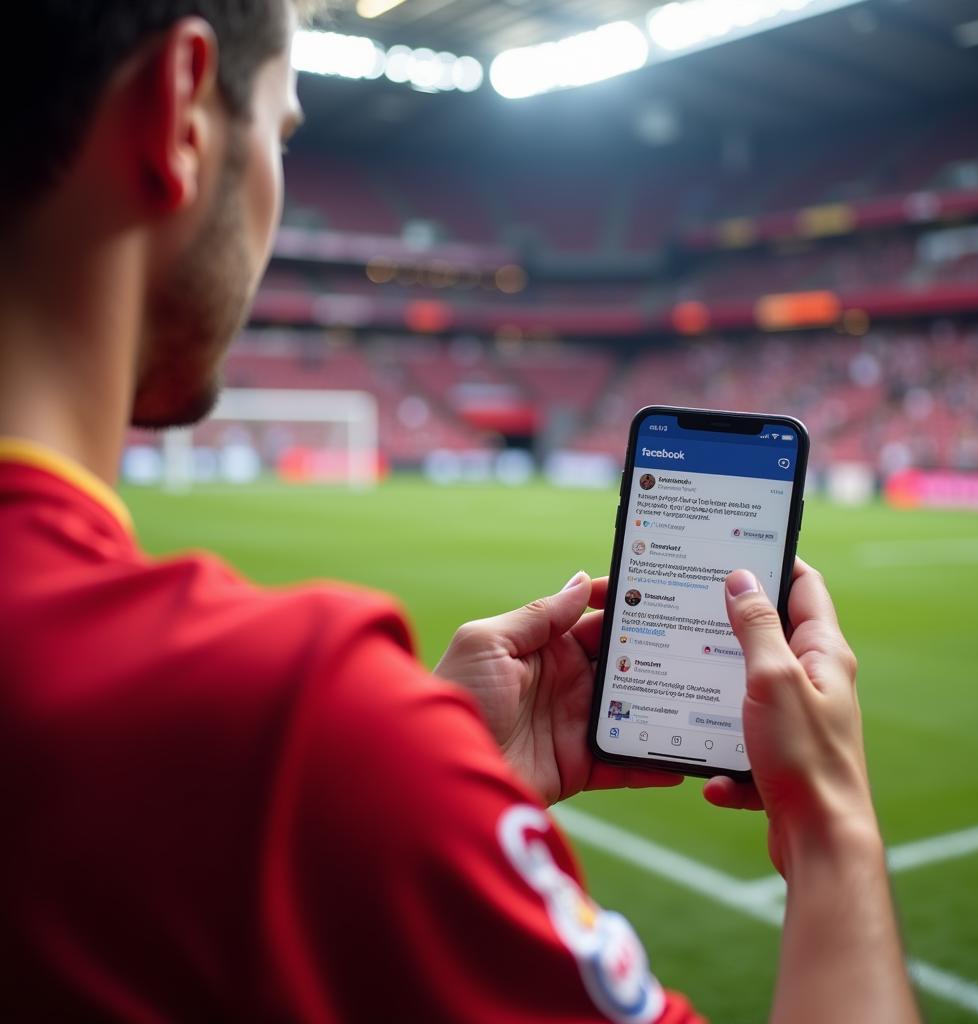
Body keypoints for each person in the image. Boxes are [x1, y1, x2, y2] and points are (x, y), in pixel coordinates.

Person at [0, 2, 921, 1022]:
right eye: (282, 132)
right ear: (181, 112)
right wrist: (831, 826)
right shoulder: (290, 722)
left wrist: (416, 802)